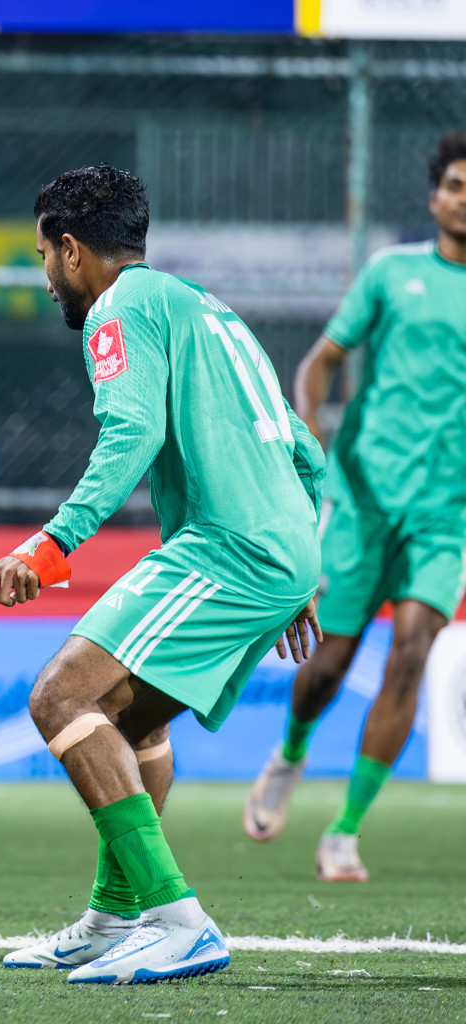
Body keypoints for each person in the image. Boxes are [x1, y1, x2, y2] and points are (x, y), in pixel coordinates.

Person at [0, 166, 325, 984]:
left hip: (230, 547)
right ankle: (112, 918)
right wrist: (307, 561)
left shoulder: (122, 310)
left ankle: (179, 920)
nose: (46, 276)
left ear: (72, 249)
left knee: (61, 697)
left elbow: (129, 431)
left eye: (43, 257)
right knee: (131, 723)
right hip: (276, 546)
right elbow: (299, 440)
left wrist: (52, 545)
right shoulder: (207, 308)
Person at [243, 132, 466, 880]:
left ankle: (344, 830)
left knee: (410, 653)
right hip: (363, 499)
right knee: (330, 661)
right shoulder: (391, 274)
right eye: (456, 184)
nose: (464, 197)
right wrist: (309, 440)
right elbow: (320, 364)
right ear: (435, 196)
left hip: (446, 517)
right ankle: (291, 753)